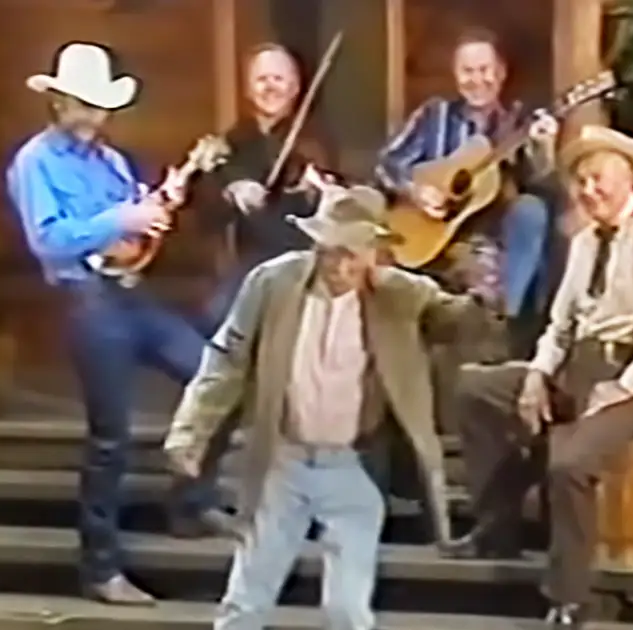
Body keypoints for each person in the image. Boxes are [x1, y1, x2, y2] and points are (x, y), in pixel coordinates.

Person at [165, 184, 495, 630]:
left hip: (355, 467)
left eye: (352, 254)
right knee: (245, 601)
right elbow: (226, 360)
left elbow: (459, 323)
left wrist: (483, 294)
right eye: (330, 252)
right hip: (282, 461)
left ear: (375, 251)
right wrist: (190, 432)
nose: (340, 267)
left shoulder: (402, 294)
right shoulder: (273, 283)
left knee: (347, 611)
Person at [5, 42, 232, 605]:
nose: (92, 116)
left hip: (130, 292)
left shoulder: (112, 162)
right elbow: (48, 239)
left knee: (215, 376)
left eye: (99, 106)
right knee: (111, 438)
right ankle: (100, 567)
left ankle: (191, 503)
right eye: (82, 105)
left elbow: (135, 233)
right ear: (58, 102)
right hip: (83, 299)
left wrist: (156, 212)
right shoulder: (34, 162)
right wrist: (119, 219)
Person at [447, 126, 633, 628]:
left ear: (628, 179)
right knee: (475, 389)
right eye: (581, 181)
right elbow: (560, 325)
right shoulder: (583, 243)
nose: (588, 190)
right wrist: (537, 375)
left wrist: (623, 386)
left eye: (598, 178)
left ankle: (569, 595)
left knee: (569, 463)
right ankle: (497, 529)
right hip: (575, 366)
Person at [375, 27, 558, 325]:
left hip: (485, 232)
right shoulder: (434, 115)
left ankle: (503, 320)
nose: (476, 80)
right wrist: (415, 191)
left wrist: (543, 145)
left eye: (484, 70)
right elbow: (388, 163)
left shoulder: (515, 124)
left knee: (531, 209)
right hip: (428, 229)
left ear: (501, 72)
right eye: (467, 71)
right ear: (455, 75)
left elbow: (537, 176)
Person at [197, 43, 337, 333]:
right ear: (248, 90)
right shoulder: (233, 141)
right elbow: (207, 215)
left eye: (278, 79)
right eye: (262, 79)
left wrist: (319, 190)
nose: (270, 87)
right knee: (215, 317)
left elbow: (341, 198)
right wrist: (231, 190)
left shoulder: (315, 139)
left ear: (295, 88)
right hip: (252, 260)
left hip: (304, 256)